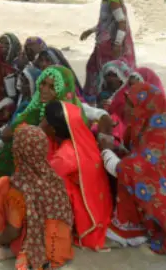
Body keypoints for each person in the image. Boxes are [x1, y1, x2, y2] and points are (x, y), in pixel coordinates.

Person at [100, 83, 166, 255]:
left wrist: (106, 152)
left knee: (127, 171)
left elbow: (132, 169)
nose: (126, 108)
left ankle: (131, 232)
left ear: (145, 108)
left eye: (131, 105)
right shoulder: (151, 127)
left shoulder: (162, 137)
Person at [0, 125, 74, 269]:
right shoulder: (54, 178)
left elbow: (13, 230)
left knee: (3, 184)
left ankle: (8, 246)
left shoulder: (20, 186)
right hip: (60, 244)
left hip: (34, 248)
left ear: (18, 151)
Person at [0, 66, 84, 181]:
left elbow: (13, 136)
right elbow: (6, 134)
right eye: (43, 83)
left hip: (54, 167)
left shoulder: (60, 113)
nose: (44, 89)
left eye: (52, 87)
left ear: (63, 90)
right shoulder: (41, 107)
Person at [40, 100, 112, 250]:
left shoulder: (67, 155)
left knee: (47, 186)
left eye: (45, 119)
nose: (42, 121)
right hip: (101, 206)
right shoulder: (82, 139)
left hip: (85, 215)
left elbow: (42, 177)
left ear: (53, 129)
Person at [81, 0, 136, 100]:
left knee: (108, 74)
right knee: (94, 68)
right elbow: (105, 23)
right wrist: (91, 31)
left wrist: (117, 44)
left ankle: (107, 100)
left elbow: (121, 22)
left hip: (109, 46)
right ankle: (96, 98)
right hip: (102, 44)